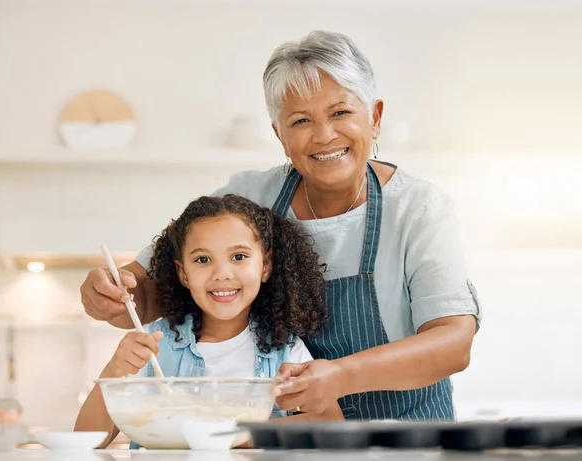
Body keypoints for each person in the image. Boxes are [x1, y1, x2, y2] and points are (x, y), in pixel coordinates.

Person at [80, 30, 481, 420]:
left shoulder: (419, 208)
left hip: (407, 439)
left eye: (340, 112)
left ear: (375, 117)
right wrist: (110, 296)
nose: (324, 135)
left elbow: (453, 343)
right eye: (301, 121)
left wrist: (341, 377)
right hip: (300, 443)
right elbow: (148, 295)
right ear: (279, 135)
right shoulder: (249, 199)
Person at [75, 195, 343, 448]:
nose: (222, 273)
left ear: (265, 266)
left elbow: (329, 423)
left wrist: (232, 435)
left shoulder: (283, 349)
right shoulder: (153, 346)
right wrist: (115, 370)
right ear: (184, 274)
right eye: (203, 259)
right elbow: (88, 440)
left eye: (239, 257)